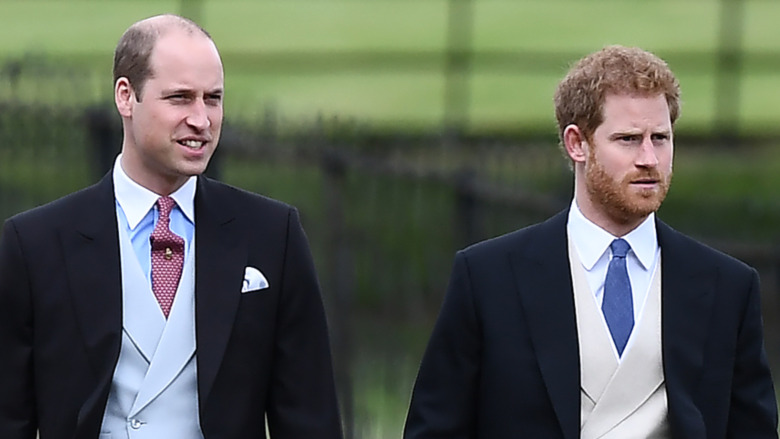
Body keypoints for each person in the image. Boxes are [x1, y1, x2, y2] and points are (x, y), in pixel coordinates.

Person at [404, 45, 777, 438]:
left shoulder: (727, 286)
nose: (649, 158)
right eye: (629, 139)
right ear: (577, 144)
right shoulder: (489, 279)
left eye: (661, 138)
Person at [0, 14, 343, 439]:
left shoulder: (274, 235)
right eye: (180, 98)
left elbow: (311, 419)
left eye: (213, 98)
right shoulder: (34, 244)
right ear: (126, 97)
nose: (201, 119)